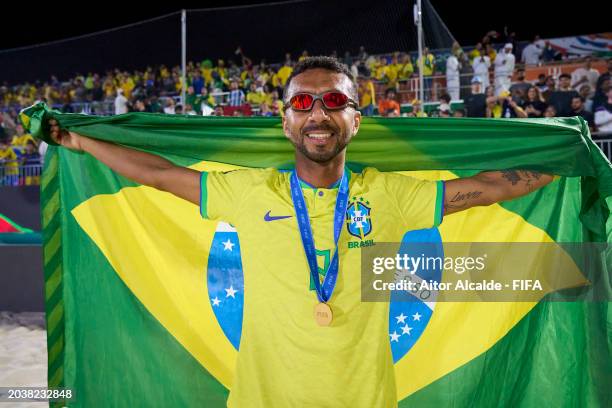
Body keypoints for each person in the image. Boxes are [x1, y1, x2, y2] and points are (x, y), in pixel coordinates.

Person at [49, 56, 553, 408]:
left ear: (356, 119)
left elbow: (487, 188)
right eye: (303, 102)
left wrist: (566, 161)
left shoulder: (391, 195)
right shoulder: (249, 192)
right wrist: (77, 139)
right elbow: (158, 173)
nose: (318, 113)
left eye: (334, 101)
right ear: (285, 121)